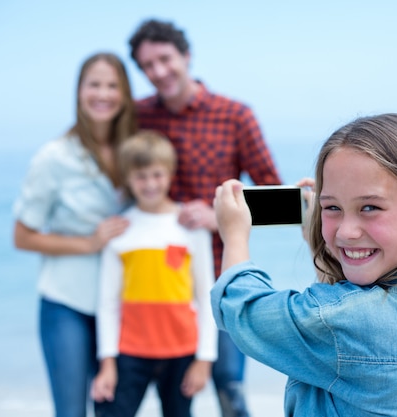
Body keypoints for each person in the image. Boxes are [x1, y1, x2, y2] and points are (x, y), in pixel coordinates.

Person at [212, 113, 397, 416]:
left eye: (369, 207)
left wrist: (234, 234)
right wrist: (318, 243)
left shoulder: (346, 320)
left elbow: (241, 310)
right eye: (332, 207)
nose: (345, 231)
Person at [127, 18, 282, 417]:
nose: (158, 72)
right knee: (174, 396)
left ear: (186, 55)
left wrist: (218, 215)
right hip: (162, 284)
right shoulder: (138, 117)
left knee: (228, 383)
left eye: (165, 59)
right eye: (147, 66)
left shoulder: (234, 116)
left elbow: (280, 202)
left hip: (220, 274)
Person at [13, 52, 137, 417]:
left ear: (125, 93)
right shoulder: (54, 157)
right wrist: (89, 243)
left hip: (121, 304)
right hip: (67, 303)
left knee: (114, 411)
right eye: (94, 84)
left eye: (112, 85)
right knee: (70, 411)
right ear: (79, 91)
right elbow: (22, 236)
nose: (103, 94)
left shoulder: (134, 150)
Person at [91, 131, 217, 417]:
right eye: (141, 176)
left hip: (182, 352)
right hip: (130, 352)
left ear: (170, 173)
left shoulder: (190, 226)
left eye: (156, 175)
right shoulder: (120, 231)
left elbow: (204, 295)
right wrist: (107, 362)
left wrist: (205, 359)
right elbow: (108, 303)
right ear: (128, 179)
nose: (149, 184)